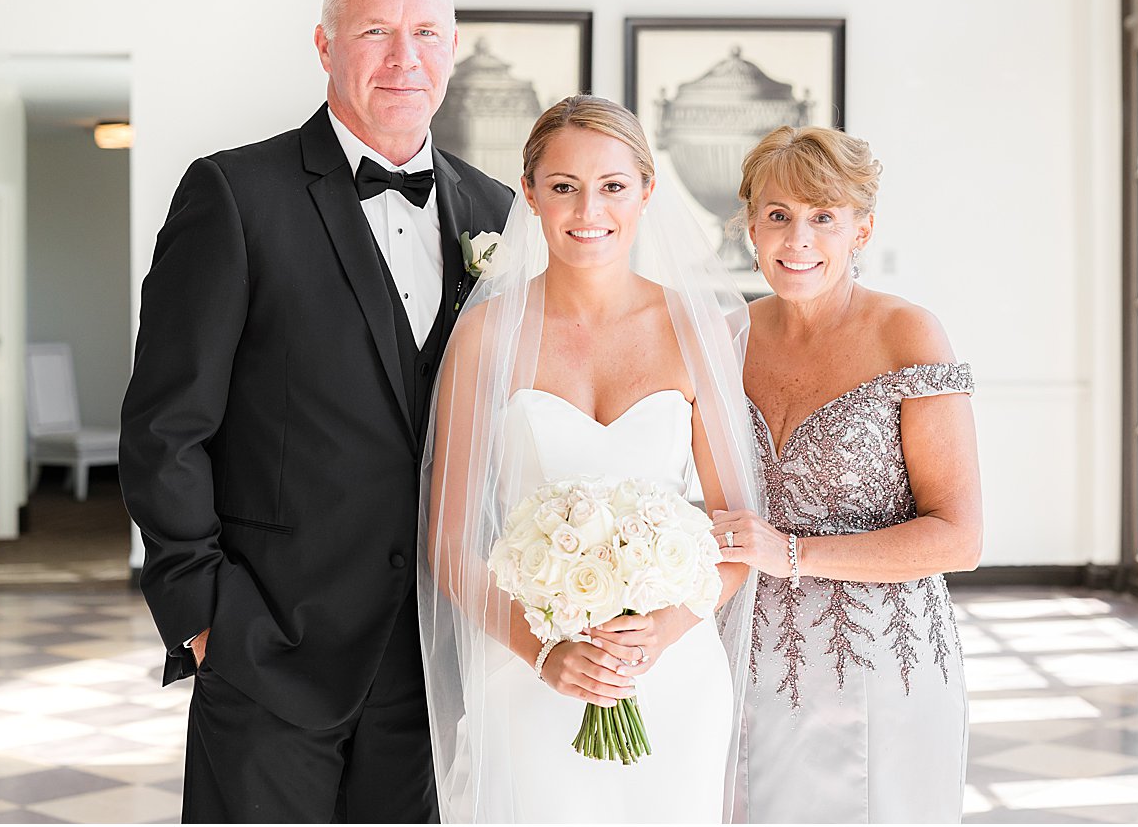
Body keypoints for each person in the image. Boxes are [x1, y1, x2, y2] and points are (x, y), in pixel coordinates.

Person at [120, 0, 513, 823]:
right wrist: (206, 612)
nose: (404, 58)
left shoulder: (498, 214)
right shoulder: (233, 194)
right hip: (269, 650)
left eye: (426, 32)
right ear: (326, 44)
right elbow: (163, 428)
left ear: (452, 47)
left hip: (432, 657)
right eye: (376, 30)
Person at [417, 96, 761, 823]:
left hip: (672, 673)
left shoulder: (695, 330)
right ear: (533, 193)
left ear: (646, 192)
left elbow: (739, 532)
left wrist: (662, 630)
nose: (588, 209)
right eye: (564, 185)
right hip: (527, 668)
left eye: (611, 185)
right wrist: (542, 653)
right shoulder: (486, 335)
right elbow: (449, 543)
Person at [710, 125, 982, 824]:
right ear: (751, 226)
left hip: (884, 668)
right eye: (779, 215)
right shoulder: (724, 339)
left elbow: (959, 537)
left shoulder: (908, 334)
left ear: (861, 228)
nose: (797, 240)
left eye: (822, 217)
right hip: (745, 661)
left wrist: (791, 552)